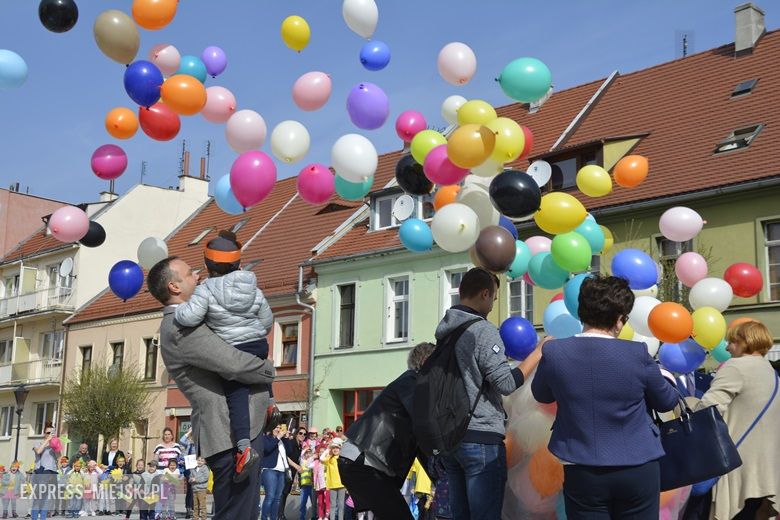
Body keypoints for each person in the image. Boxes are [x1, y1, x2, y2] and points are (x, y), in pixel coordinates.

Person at [531, 275, 679, 519]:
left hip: (582, 467)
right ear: (620, 320)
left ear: (581, 313)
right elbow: (667, 401)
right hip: (638, 466)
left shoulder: (554, 352)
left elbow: (541, 394)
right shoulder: (637, 353)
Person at [148, 256, 276, 520]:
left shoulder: (195, 316)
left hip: (233, 429)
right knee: (237, 513)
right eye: (189, 273)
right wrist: (269, 370)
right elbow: (235, 364)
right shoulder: (180, 325)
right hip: (228, 433)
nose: (198, 275)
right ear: (174, 286)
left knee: (242, 511)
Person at [435, 268, 543, 519]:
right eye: (494, 298)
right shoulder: (482, 330)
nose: (493, 305)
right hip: (480, 437)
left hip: (451, 437)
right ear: (484, 294)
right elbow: (505, 383)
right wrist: (538, 353)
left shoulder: (445, 331)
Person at [174, 230, 275, 479]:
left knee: (236, 395)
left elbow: (190, 317)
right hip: (257, 344)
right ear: (238, 262)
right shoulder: (253, 287)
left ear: (208, 264)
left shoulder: (205, 290)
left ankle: (243, 446)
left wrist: (178, 310)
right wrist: (253, 332)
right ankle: (271, 403)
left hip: (233, 349)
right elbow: (267, 320)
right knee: (260, 368)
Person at [693, 321, 780, 519]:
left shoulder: (736, 366)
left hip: (737, 466)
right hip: (764, 468)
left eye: (732, 341)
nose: (726, 347)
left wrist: (688, 413)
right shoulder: (768, 369)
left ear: (745, 342)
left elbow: (708, 408)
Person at [339, 342, 436, 519]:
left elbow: (421, 446)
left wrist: (440, 477)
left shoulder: (414, 384)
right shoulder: (413, 381)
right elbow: (424, 422)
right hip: (364, 462)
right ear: (427, 361)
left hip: (368, 464)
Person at [30, 423, 60, 520]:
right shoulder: (37, 442)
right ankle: (34, 518)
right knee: (38, 499)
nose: (50, 434)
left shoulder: (53, 445)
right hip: (40, 473)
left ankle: (43, 518)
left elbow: (59, 458)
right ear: (44, 433)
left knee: (47, 499)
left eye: (52, 432)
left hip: (51, 473)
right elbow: (38, 451)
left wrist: (56, 447)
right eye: (48, 432)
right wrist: (47, 440)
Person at [260, 424, 288, 520]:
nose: (278, 429)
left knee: (277, 498)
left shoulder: (280, 441)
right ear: (271, 429)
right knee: (270, 496)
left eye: (280, 428)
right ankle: (264, 518)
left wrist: (287, 438)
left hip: (281, 471)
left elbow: (286, 454)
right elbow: (267, 448)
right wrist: (278, 437)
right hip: (270, 470)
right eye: (276, 427)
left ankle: (273, 518)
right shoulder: (266, 438)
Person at [279, 426, 305, 519]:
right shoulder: (291, 442)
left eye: (304, 434)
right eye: (300, 433)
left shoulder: (299, 446)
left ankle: (281, 514)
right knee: (283, 492)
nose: (302, 435)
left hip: (293, 472)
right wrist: (296, 466)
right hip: (287, 470)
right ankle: (279, 515)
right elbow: (286, 456)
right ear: (296, 434)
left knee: (286, 492)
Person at [321, 438, 346, 520]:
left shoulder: (342, 458)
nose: (335, 449)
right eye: (333, 448)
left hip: (341, 485)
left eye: (337, 448)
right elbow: (321, 459)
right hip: (332, 485)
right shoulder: (330, 458)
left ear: (340, 449)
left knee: (341, 505)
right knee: (332, 505)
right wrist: (328, 449)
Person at [298, 446, 316, 520]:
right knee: (303, 503)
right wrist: (305, 449)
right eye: (306, 453)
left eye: (309, 453)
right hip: (304, 486)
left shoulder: (313, 462)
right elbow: (301, 455)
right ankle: (302, 517)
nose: (308, 455)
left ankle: (314, 516)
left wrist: (312, 455)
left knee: (314, 503)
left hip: (312, 486)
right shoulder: (302, 461)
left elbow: (312, 458)